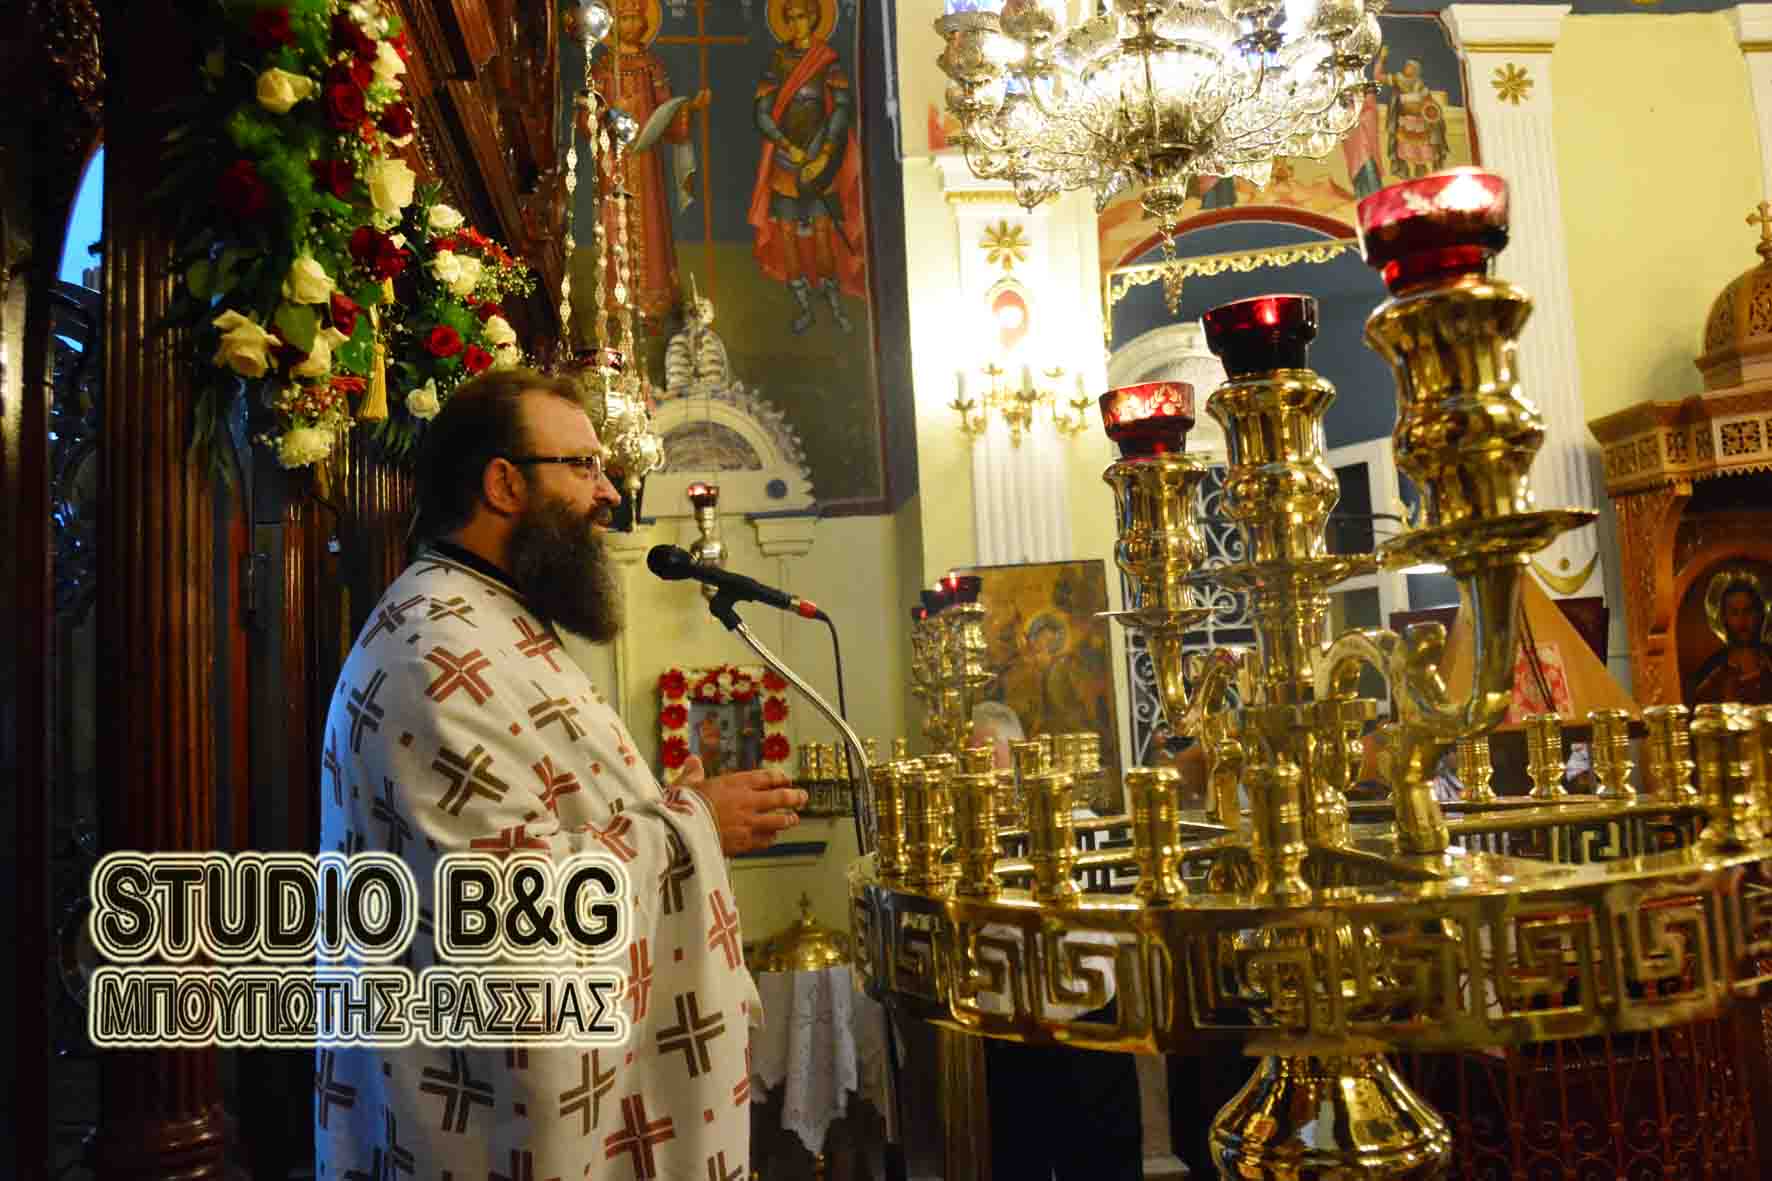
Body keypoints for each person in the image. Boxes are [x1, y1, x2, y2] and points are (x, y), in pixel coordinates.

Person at [315, 369, 807, 1179]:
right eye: (583, 466)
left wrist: (665, 807)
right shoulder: (434, 650)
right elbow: (504, 906)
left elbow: (550, 822)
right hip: (474, 1129)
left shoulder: (489, 619)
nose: (610, 493)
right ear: (504, 483)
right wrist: (692, 826)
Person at [967, 701, 1145, 1181]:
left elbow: (1116, 914)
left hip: (1087, 1024)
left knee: (1102, 1164)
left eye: (992, 759)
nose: (986, 776)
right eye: (974, 762)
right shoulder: (970, 837)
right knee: (1018, 1160)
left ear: (1022, 754)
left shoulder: (1081, 822)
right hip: (1009, 1029)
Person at [748, 0, 865, 335]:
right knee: (786, 231)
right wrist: (787, 146)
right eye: (790, 18)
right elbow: (762, 113)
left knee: (823, 230)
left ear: (814, 18)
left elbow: (841, 108)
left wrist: (825, 154)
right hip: (786, 160)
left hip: (820, 159)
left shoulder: (827, 60)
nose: (796, 23)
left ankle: (834, 304)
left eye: (801, 17)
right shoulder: (777, 61)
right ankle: (802, 306)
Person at [590, 0, 710, 321]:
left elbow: (666, 111)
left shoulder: (652, 65)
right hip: (614, 158)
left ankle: (654, 300)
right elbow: (591, 112)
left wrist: (689, 108)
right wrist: (600, 115)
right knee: (614, 218)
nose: (631, 25)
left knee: (652, 220)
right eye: (625, 19)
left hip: (646, 159)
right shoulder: (603, 67)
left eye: (635, 18)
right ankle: (617, 299)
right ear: (613, 24)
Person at [1692, 578, 1772, 705]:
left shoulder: (1769, 658)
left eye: (1748, 611)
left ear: (1760, 614)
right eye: (1734, 612)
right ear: (1724, 618)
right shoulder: (1713, 668)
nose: (1742, 619)